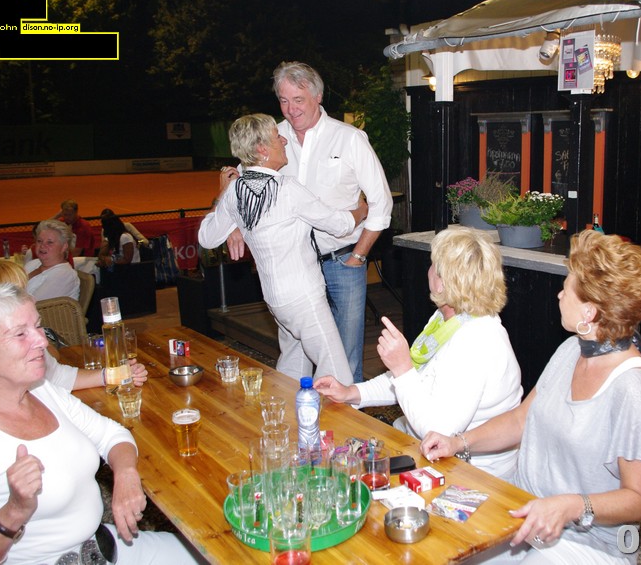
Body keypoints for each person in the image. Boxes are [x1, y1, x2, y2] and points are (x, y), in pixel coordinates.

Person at [421, 231, 641, 565]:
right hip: (524, 508)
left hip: (588, 541)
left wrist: (571, 505)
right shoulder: (571, 350)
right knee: (437, 543)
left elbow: (639, 499)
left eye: (567, 289)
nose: (559, 294)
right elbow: (520, 420)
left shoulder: (634, 389)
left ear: (589, 312)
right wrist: (458, 442)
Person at [0, 280, 198, 564]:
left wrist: (125, 474)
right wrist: (12, 513)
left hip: (103, 546)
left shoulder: (41, 391)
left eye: (38, 326)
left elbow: (111, 434)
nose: (42, 341)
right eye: (21, 334)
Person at [227, 61, 392, 383]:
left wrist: (359, 256)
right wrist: (234, 225)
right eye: (284, 100)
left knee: (344, 356)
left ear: (318, 96)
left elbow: (381, 202)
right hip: (294, 270)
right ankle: (297, 408)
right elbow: (242, 182)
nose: (291, 109)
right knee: (296, 351)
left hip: (344, 260)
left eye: (298, 100)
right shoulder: (271, 137)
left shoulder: (349, 139)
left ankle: (347, 412)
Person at [315, 227, 522, 478]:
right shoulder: (448, 319)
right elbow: (414, 378)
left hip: (474, 476)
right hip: (430, 453)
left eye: (433, 264)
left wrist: (402, 368)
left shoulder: (477, 341)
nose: (428, 270)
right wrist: (351, 392)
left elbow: (438, 434)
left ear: (443, 282)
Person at [199, 113, 368, 384]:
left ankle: (283, 411)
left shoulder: (234, 193)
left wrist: (221, 194)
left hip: (275, 300)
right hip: (305, 297)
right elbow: (339, 225)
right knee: (338, 378)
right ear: (262, 150)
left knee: (292, 368)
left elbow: (207, 237)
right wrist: (362, 210)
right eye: (277, 137)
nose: (284, 140)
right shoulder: (287, 188)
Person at [0, 258, 147, 422]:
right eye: (16, 294)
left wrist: (114, 374)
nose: (43, 341)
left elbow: (58, 376)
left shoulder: (25, 347)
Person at [23, 220, 80, 301]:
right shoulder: (33, 263)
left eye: (49, 242)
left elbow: (35, 303)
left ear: (64, 247)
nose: (42, 246)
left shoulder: (65, 274)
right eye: (39, 241)